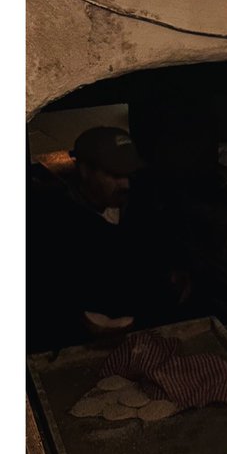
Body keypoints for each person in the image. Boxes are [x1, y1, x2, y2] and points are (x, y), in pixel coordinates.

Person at [27, 125, 191, 349]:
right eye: (114, 175)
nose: (126, 184)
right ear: (85, 170)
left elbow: (159, 248)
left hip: (151, 331)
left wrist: (175, 272)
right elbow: (49, 297)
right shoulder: (53, 223)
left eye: (128, 175)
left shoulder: (140, 203)